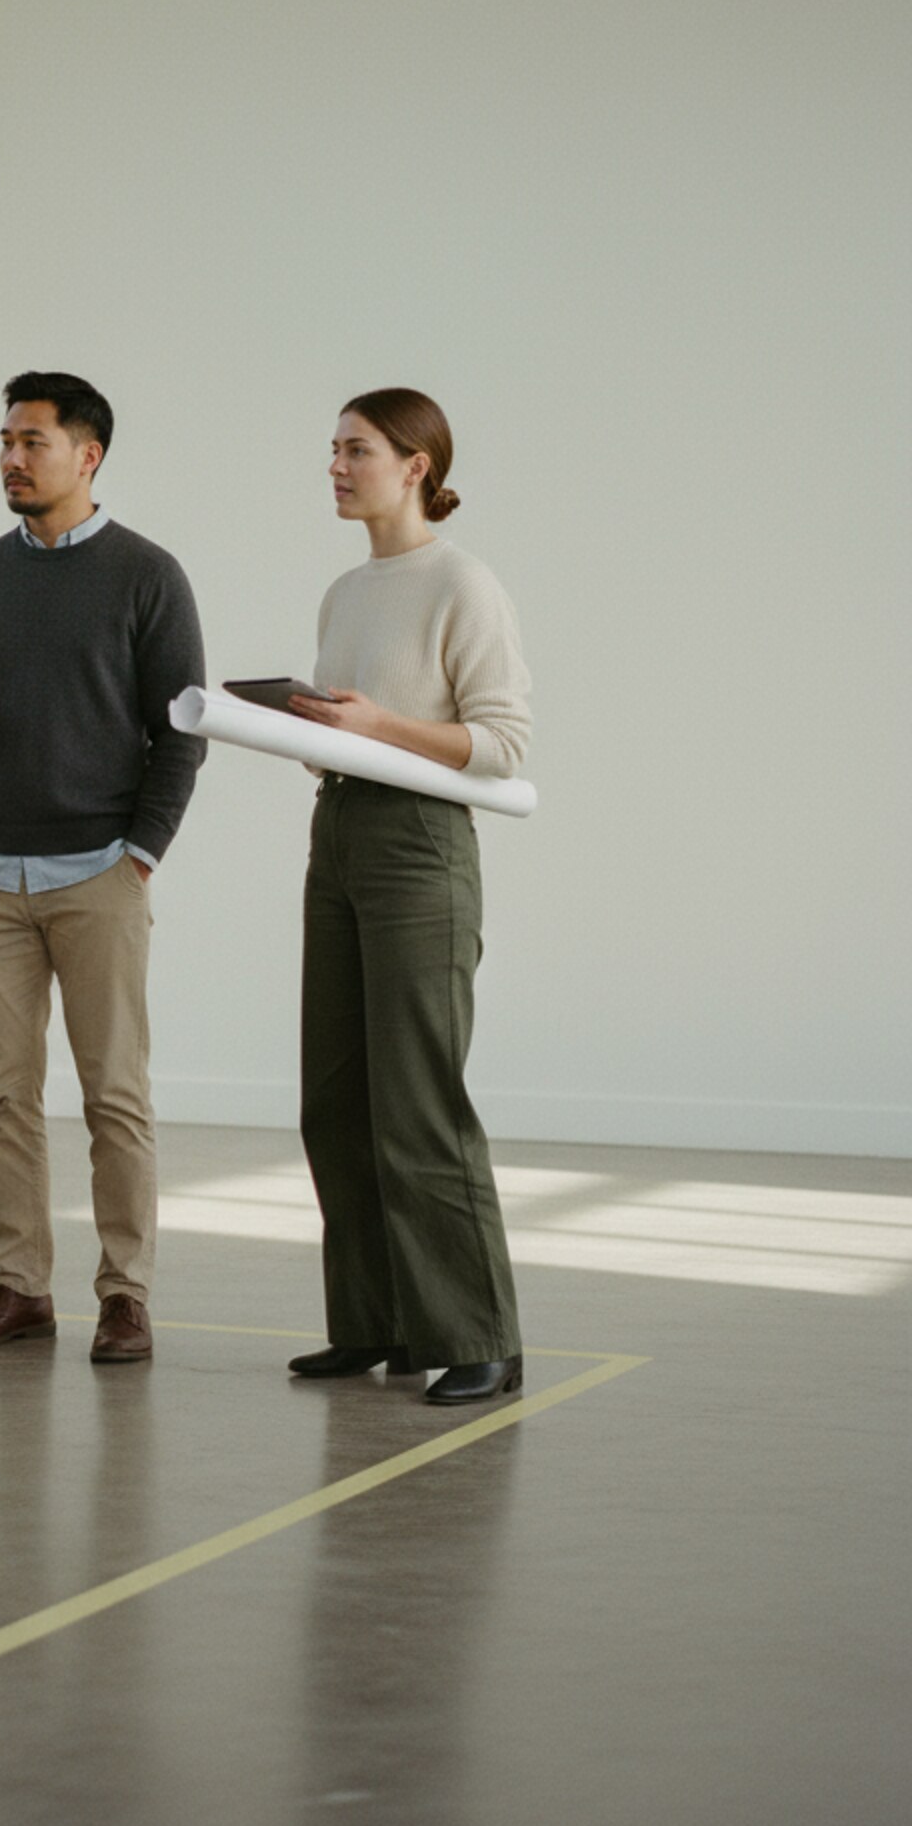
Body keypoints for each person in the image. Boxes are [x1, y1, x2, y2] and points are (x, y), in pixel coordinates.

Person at [0, 371, 206, 1363]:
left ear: (87, 455)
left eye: (31, 441)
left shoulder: (146, 575)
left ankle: (124, 1294)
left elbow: (183, 731)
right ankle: (20, 1288)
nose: (9, 457)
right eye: (3, 439)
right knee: (4, 1095)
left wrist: (141, 852)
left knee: (112, 1094)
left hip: (97, 874)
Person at [285, 388, 530, 1405]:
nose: (335, 466)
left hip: (418, 844)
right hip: (339, 829)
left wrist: (377, 725)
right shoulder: (345, 590)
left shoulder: (461, 583)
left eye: (356, 449)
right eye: (332, 449)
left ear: (416, 464)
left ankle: (477, 1333)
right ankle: (376, 1322)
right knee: (335, 1097)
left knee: (418, 1096)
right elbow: (356, 726)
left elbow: (502, 743)